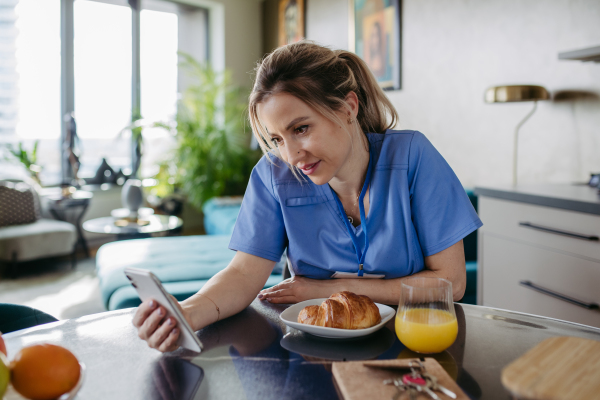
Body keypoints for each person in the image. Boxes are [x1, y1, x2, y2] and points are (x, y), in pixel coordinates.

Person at [133, 41, 482, 352]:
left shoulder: (412, 157)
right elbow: (242, 275)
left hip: (411, 347)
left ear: (348, 108)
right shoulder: (273, 175)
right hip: (312, 351)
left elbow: (451, 283)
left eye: (301, 129)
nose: (291, 155)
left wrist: (330, 289)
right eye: (276, 139)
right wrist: (186, 312)